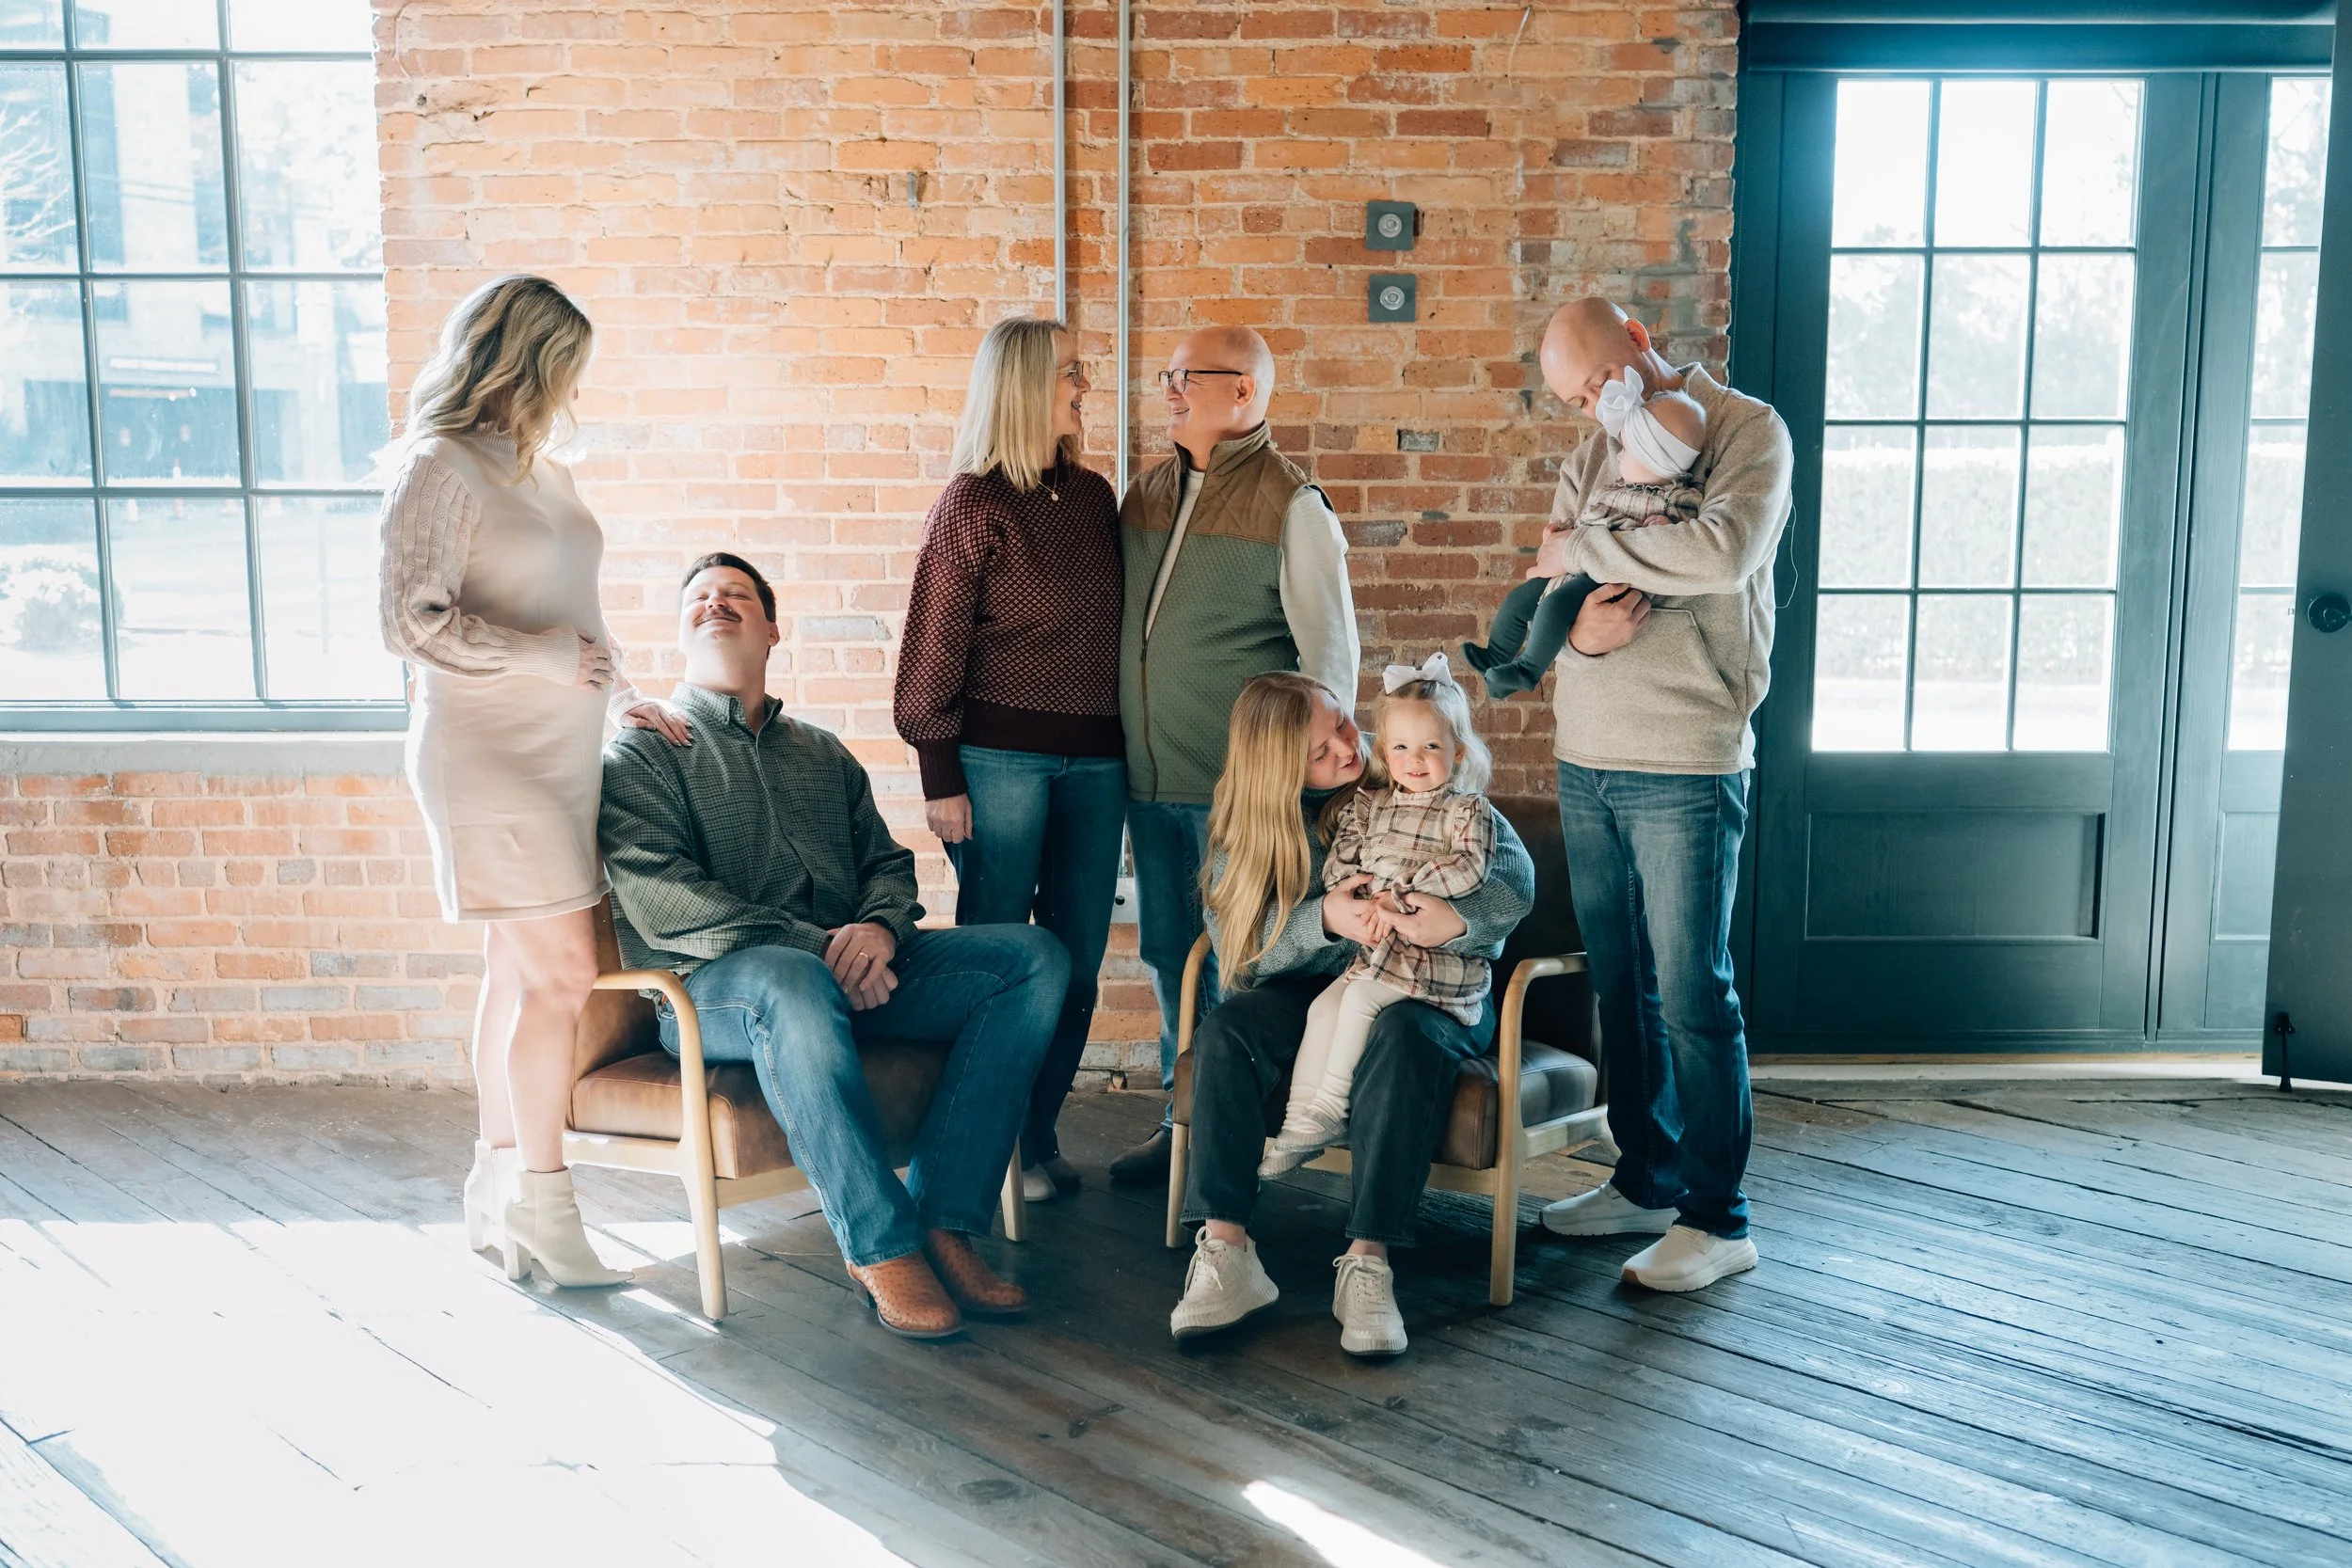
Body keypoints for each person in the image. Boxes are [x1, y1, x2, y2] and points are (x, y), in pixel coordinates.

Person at [600, 553, 1069, 1341]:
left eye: (737, 595)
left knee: (1032, 959)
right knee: (788, 978)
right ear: (680, 630)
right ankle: (880, 1243)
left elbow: (887, 866)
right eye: (698, 598)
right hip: (709, 994)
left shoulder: (822, 754)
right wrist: (822, 946)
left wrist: (880, 929)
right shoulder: (644, 751)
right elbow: (664, 900)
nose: (715, 602)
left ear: (773, 628)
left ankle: (947, 1220)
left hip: (841, 979)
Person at [378, 274, 687, 1290]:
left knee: (515, 974)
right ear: (523, 359)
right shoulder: (443, 464)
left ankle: (495, 1186)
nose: (573, 392)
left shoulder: (545, 470)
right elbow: (408, 622)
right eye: (566, 370)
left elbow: (576, 610)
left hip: (563, 756)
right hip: (486, 758)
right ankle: (547, 1211)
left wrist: (625, 692)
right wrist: (544, 662)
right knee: (561, 977)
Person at [1526, 297, 1792, 1294]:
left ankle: (1718, 1217)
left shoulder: (1744, 431)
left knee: (1693, 990)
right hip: (1587, 747)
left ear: (1638, 342)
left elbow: (1721, 554)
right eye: (1572, 399)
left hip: (1686, 748)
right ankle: (1643, 1176)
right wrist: (1569, 630)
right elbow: (1547, 575)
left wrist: (1586, 557)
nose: (1592, 409)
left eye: (1596, 383)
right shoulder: (1594, 454)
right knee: (1620, 983)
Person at [1169, 673, 1533, 1358]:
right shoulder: (1243, 831)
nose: (1348, 746)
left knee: (1396, 1031)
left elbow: (1513, 880)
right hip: (1322, 992)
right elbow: (1240, 961)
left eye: (1341, 720)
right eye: (1320, 749)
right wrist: (1324, 920)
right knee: (1224, 1031)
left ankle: (1368, 1261)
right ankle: (1227, 1251)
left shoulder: (1411, 774)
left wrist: (1454, 921)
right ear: (1278, 769)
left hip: (1432, 992)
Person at [1109, 325, 1361, 1186]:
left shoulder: (1294, 505)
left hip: (1239, 795)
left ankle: (1228, 1139)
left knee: (1233, 961)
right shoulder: (1145, 492)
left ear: (1245, 393)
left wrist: (1306, 784)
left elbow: (1330, 662)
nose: (1169, 390)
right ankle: (1183, 1121)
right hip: (1150, 781)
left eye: (1188, 377)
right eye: (1167, 376)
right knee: (1166, 950)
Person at [894, 317, 1123, 1207]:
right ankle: (978, 1150)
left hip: (1098, 764)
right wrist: (940, 777)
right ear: (1027, 386)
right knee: (1001, 962)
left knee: (1078, 965)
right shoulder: (972, 503)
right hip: (995, 764)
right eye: (1071, 372)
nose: (1085, 384)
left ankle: (1034, 1133)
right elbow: (931, 653)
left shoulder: (1095, 496)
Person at [1259, 652, 1497, 1176]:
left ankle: (1329, 1109)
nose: (1417, 760)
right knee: (1325, 1007)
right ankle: (1302, 1123)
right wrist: (1350, 897)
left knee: (1362, 999)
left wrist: (1405, 894)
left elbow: (1471, 869)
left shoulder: (1467, 810)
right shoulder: (1370, 805)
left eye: (1432, 746)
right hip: (1377, 951)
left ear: (1457, 753)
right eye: (1403, 748)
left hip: (1435, 965)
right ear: (1387, 753)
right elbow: (1343, 859)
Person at [1463, 372, 1708, 699]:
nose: (1618, 455)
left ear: (1655, 459)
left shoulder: (1674, 499)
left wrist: (1658, 529)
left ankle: (1527, 670)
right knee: (1519, 600)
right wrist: (1563, 536)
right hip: (1578, 564)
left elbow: (1671, 544)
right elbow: (1588, 524)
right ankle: (1495, 654)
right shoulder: (1616, 487)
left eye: (1628, 450)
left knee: (1551, 608)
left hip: (1606, 578)